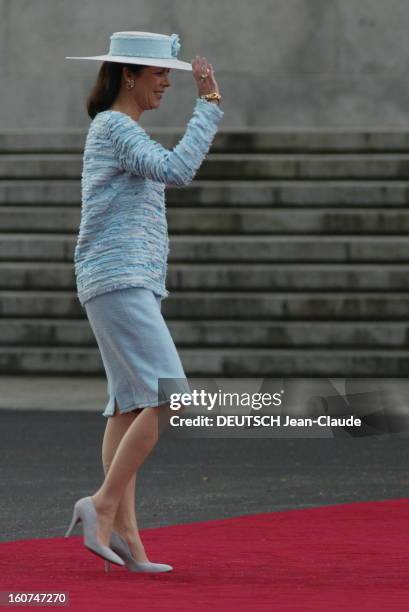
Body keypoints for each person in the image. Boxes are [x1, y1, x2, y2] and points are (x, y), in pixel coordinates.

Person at [64, 31, 224, 573]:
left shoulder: (118, 129)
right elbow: (178, 170)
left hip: (123, 280)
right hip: (118, 278)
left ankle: (126, 534)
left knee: (130, 404)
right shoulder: (113, 127)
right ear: (128, 74)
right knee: (168, 394)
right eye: (161, 73)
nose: (166, 83)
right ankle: (102, 505)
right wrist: (209, 107)